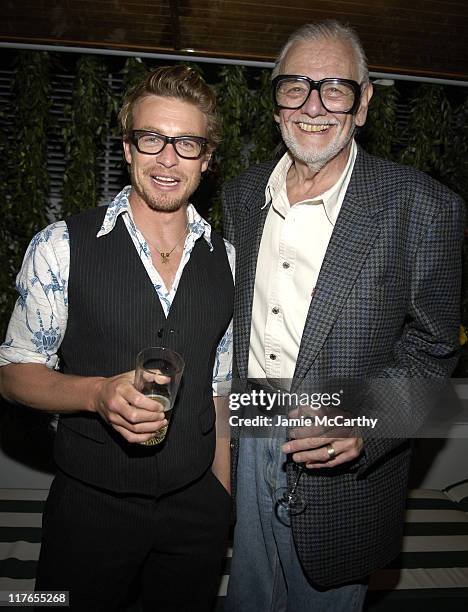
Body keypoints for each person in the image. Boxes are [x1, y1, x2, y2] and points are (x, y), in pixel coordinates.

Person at [222, 19, 464, 612]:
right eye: (295, 87)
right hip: (251, 427)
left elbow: (436, 354)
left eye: (335, 88)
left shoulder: (426, 207)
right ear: (275, 99)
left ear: (363, 103)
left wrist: (364, 420)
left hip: (344, 465)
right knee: (249, 596)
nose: (313, 107)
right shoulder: (239, 197)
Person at [0, 65, 234, 611]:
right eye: (152, 138)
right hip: (89, 507)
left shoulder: (227, 260)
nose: (168, 158)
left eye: (187, 143)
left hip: (196, 508)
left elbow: (219, 391)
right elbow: (13, 375)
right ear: (128, 148)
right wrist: (96, 394)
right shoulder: (61, 245)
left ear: (207, 157)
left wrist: (221, 497)